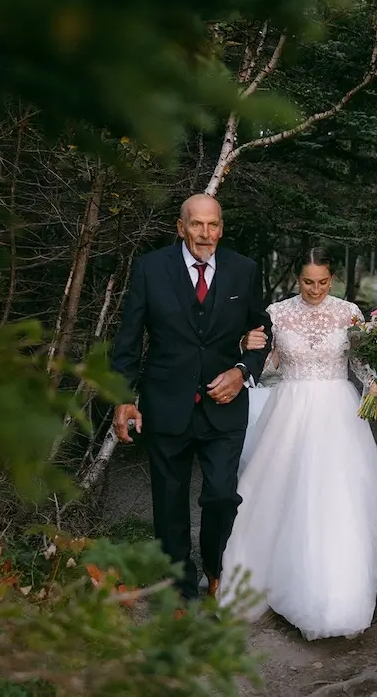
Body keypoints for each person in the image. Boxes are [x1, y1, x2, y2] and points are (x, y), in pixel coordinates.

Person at [220, 248, 377, 640]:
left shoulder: (350, 313)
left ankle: (336, 592)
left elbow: (359, 363)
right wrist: (246, 346)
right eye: (308, 282)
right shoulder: (276, 313)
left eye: (322, 282)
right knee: (277, 493)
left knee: (336, 497)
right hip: (289, 409)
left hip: (337, 412)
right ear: (297, 279)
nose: (315, 289)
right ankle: (265, 581)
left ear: (332, 278)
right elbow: (266, 367)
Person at [109, 193, 272, 602]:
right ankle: (180, 587)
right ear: (180, 227)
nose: (205, 233)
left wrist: (243, 370)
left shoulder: (244, 270)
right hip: (166, 403)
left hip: (225, 406)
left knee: (221, 494)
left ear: (221, 227)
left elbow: (261, 331)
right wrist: (123, 396)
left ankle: (217, 568)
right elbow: (129, 338)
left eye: (213, 224)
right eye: (196, 224)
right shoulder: (150, 269)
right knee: (169, 501)